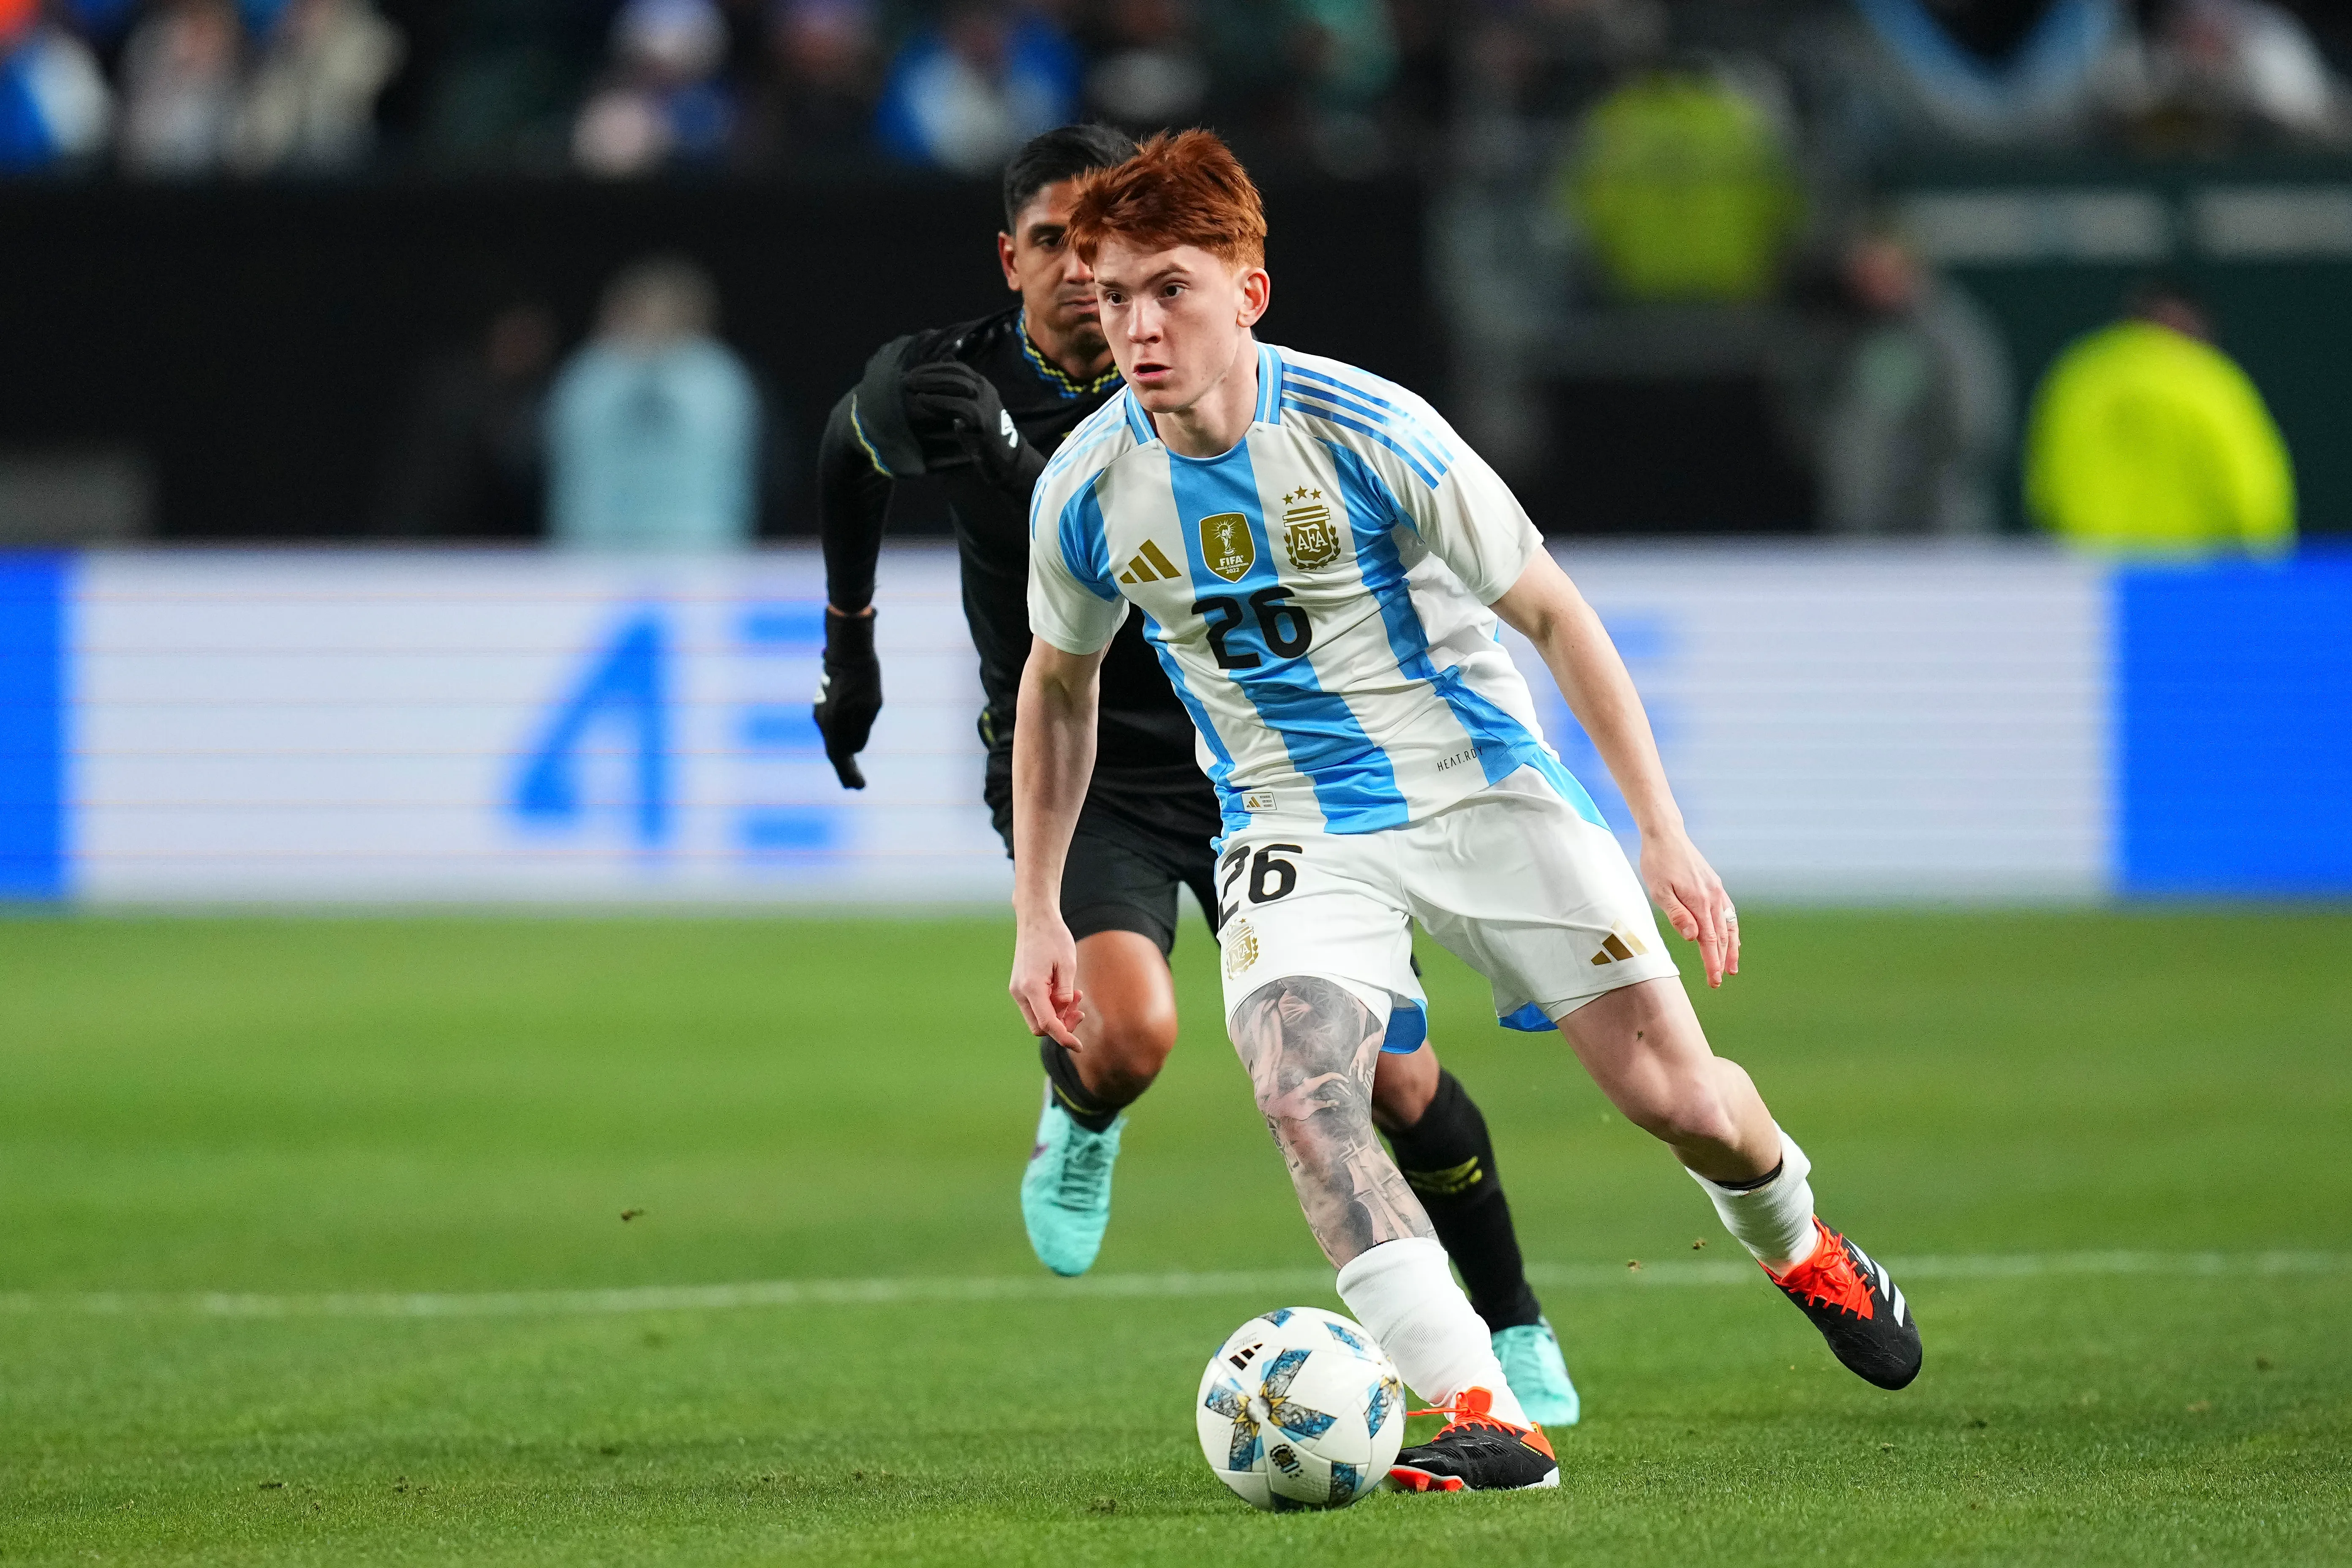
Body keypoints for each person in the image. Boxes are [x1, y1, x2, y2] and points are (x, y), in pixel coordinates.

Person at [1010, 130, 1922, 1494]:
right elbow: (1058, 689)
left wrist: (1659, 830)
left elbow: (1552, 613)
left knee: (1676, 1102)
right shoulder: (1084, 492)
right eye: (1116, 292)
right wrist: (1036, 909)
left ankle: (1796, 1238)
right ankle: (1484, 1410)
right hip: (1290, 825)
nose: (1135, 325)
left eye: (1170, 290)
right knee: (1301, 1089)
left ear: (1247, 295)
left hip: (1483, 790)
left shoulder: (1368, 431)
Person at [811, 123, 1584, 1426]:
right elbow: (848, 452)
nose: (1080, 274)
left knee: (1394, 1078)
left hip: (1272, 777)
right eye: (1052, 245)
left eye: (1102, 248)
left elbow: (1105, 510)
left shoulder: (1200, 385)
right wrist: (853, 649)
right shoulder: (942, 383)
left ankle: (1510, 1317)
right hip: (1091, 775)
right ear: (1013, 258)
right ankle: (1084, 1115)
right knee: (1126, 1037)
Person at [2024, 282, 2294, 555]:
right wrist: (2264, 561)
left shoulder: (2081, 374)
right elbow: (2254, 492)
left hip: (2097, 573)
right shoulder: (2211, 381)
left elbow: (2044, 479)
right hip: (2194, 576)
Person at [544, 255, 761, 551]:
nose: (653, 319)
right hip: (596, 547)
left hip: (699, 546)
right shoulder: (591, 375)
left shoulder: (717, 377)